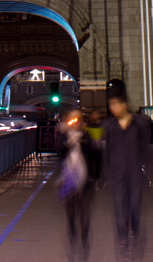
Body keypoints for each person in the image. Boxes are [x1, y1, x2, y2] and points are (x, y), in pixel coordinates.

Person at [103, 79, 151, 261]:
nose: (112, 109)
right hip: (117, 177)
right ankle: (124, 242)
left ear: (124, 105)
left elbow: (145, 149)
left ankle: (135, 236)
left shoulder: (139, 124)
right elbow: (105, 152)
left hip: (135, 176)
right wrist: (106, 175)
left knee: (134, 211)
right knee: (119, 213)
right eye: (110, 105)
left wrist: (145, 169)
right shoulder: (108, 126)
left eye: (115, 105)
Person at [55, 109, 93, 258]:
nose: (75, 122)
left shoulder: (86, 135)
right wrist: (68, 142)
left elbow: (93, 153)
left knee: (84, 211)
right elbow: (58, 150)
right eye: (73, 119)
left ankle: (84, 238)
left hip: (84, 178)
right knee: (71, 212)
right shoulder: (64, 135)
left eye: (77, 119)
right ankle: (72, 235)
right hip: (68, 178)